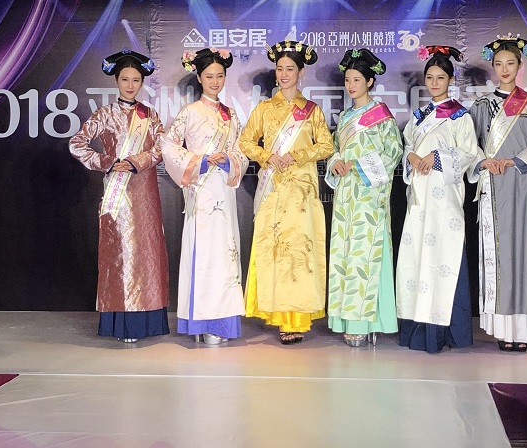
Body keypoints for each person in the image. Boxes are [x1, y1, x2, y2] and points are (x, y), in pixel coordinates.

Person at [69, 49, 170, 342]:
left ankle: (149, 321)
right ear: (116, 81)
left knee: (147, 253)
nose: (130, 85)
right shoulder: (104, 114)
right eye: (125, 79)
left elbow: (162, 148)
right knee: (121, 254)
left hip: (145, 193)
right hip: (118, 194)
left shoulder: (150, 115)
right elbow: (77, 143)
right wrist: (108, 161)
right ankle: (122, 323)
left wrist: (137, 161)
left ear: (142, 83)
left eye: (136, 80)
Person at [238, 41, 333, 344]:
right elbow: (245, 142)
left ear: (301, 72)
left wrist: (298, 155)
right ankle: (279, 317)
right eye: (280, 69)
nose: (283, 74)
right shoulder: (264, 109)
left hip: (302, 193)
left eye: (290, 69)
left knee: (300, 252)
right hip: (274, 190)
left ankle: (299, 319)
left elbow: (326, 145)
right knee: (276, 251)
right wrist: (267, 156)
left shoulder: (312, 111)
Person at [467, 35, 527, 352]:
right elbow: (470, 146)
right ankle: (503, 329)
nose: (504, 69)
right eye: (499, 64)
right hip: (495, 184)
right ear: (493, 67)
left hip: (525, 184)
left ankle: (525, 330)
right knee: (502, 253)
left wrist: (516, 161)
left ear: (519, 66)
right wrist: (484, 161)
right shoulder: (481, 106)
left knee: (526, 251)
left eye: (510, 63)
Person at [161, 48, 248, 346]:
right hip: (200, 190)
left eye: (219, 76)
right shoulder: (189, 112)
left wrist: (229, 160)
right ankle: (201, 322)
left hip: (223, 188)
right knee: (203, 255)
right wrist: (199, 161)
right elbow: (168, 146)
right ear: (198, 78)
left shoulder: (231, 115)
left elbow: (241, 151)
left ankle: (223, 323)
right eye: (209, 76)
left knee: (224, 254)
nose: (215, 81)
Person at [395, 46, 477, 353]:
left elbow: (469, 153)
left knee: (444, 257)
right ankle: (417, 328)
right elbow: (407, 146)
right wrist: (412, 156)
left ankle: (445, 332)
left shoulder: (459, 116)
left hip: (444, 200)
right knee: (417, 259)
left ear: (451, 80)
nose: (434, 83)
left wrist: (437, 157)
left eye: (440, 78)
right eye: (429, 77)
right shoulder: (419, 116)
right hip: (420, 197)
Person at [325, 49, 402, 347]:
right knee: (346, 254)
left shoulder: (381, 116)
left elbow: (393, 152)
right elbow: (334, 149)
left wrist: (358, 164)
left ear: (370, 82)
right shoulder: (345, 117)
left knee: (366, 253)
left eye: (357, 80)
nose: (351, 85)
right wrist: (336, 162)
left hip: (370, 194)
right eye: (348, 80)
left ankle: (368, 321)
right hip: (346, 194)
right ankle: (346, 319)